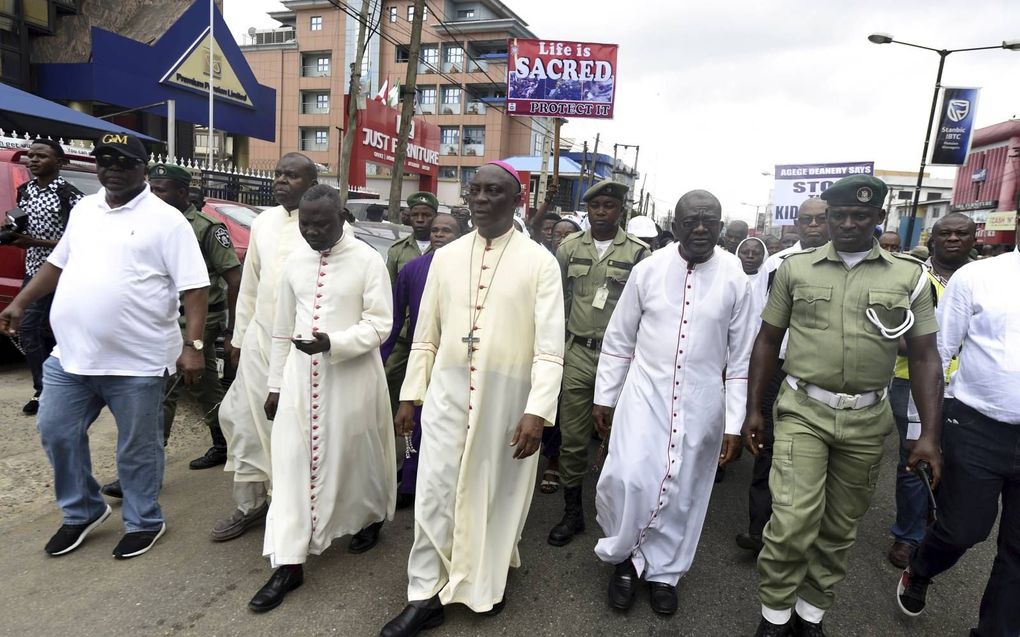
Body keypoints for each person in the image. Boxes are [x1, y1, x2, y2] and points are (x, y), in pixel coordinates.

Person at [744, 175, 943, 637]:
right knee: (792, 520)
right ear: (827, 219)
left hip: (867, 419)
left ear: (878, 219)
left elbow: (924, 355)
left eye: (861, 215)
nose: (849, 223)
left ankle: (810, 615)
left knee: (839, 525)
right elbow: (768, 341)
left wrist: (928, 433)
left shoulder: (908, 276)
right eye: (840, 216)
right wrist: (753, 408)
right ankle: (774, 616)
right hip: (802, 411)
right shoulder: (795, 269)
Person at [0, 133, 209, 559]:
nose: (112, 167)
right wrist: (21, 301)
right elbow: (59, 262)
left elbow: (195, 289)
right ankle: (83, 511)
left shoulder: (167, 220)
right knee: (55, 430)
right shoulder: (85, 208)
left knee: (137, 446)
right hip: (72, 355)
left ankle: (144, 519)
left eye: (123, 161)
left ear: (142, 169)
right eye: (104, 160)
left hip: (138, 361)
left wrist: (194, 345)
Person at [379, 161, 564, 636]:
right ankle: (424, 593)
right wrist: (410, 395)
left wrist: (538, 412)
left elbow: (549, 347)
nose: (481, 199)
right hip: (447, 386)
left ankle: (486, 580)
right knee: (436, 487)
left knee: (495, 489)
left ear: (516, 199)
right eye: (474, 191)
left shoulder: (540, 261)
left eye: (493, 191)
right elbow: (426, 335)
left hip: (508, 393)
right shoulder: (447, 256)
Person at [593, 190, 755, 615]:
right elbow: (618, 339)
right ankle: (626, 558)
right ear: (676, 224)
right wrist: (604, 398)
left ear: (721, 226)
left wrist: (734, 425)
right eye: (691, 220)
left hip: (702, 400)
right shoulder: (647, 269)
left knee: (685, 489)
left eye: (709, 220)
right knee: (630, 476)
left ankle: (665, 572)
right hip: (645, 393)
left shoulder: (737, 277)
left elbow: (740, 361)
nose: (700, 228)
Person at [247, 185, 395, 612]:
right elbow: (280, 328)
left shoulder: (368, 260)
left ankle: (368, 518)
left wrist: (336, 342)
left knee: (355, 458)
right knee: (293, 464)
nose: (311, 231)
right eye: (305, 223)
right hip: (298, 379)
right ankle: (288, 563)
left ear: (342, 217)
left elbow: (380, 324)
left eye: (321, 223)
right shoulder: (295, 261)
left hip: (352, 378)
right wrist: (275, 384)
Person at [896, 215, 1020, 637]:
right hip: (975, 425)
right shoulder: (980, 276)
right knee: (962, 529)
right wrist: (926, 433)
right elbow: (936, 352)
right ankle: (922, 566)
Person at [99, 163, 243, 498]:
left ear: (183, 192)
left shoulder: (206, 227)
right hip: (158, 318)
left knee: (162, 391)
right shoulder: (145, 222)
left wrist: (232, 330)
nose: (154, 195)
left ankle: (144, 471)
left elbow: (234, 279)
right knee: (206, 387)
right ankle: (227, 443)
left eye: (162, 189)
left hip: (197, 321)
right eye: (153, 187)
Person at [213, 153, 318, 542]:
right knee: (242, 420)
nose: (280, 181)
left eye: (291, 176)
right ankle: (251, 505)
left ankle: (295, 508)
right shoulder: (264, 222)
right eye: (278, 174)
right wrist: (238, 338)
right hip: (259, 340)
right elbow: (249, 285)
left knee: (294, 430)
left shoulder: (325, 224)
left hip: (302, 348)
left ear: (310, 183)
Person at [547, 180, 650, 548]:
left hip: (621, 358)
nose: (602, 212)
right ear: (587, 211)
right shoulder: (568, 249)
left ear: (621, 210)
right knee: (573, 437)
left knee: (623, 438)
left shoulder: (639, 254)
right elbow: (555, 303)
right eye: (596, 206)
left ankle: (619, 517)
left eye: (609, 205)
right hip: (577, 352)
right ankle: (573, 511)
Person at [735, 197, 829, 555]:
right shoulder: (776, 265)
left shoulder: (850, 265)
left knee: (811, 458)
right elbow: (758, 327)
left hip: (823, 376)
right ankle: (759, 529)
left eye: (822, 219)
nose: (815, 227)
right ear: (797, 224)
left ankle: (801, 532)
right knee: (767, 448)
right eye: (807, 220)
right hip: (780, 369)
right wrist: (750, 392)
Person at [885, 213, 975, 569]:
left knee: (958, 460)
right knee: (914, 458)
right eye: (945, 233)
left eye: (961, 233)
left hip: (968, 388)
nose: (953, 239)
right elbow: (894, 332)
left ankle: (936, 522)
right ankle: (907, 536)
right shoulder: (912, 277)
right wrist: (931, 345)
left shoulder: (985, 278)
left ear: (973, 239)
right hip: (914, 382)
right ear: (932, 239)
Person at [380, 213, 463, 509]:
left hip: (457, 363)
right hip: (422, 358)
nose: (439, 234)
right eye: (436, 229)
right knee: (414, 422)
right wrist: (382, 357)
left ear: (461, 234)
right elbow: (392, 318)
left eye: (448, 230)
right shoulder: (413, 269)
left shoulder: (470, 272)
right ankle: (412, 481)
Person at [12, 138, 84, 415]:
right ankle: (47, 389)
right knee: (35, 329)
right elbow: (22, 224)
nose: (33, 160)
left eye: (41, 156)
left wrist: (34, 242)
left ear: (59, 162)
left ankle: (51, 390)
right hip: (34, 271)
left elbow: (78, 241)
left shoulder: (70, 196)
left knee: (43, 328)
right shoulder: (25, 191)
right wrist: (14, 232)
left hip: (65, 273)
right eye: (31, 155)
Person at [384, 193, 438, 414]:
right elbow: (390, 291)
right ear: (408, 216)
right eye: (415, 214)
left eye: (426, 215)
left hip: (433, 332)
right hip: (405, 334)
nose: (420, 219)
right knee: (388, 375)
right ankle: (393, 423)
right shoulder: (398, 250)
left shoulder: (448, 248)